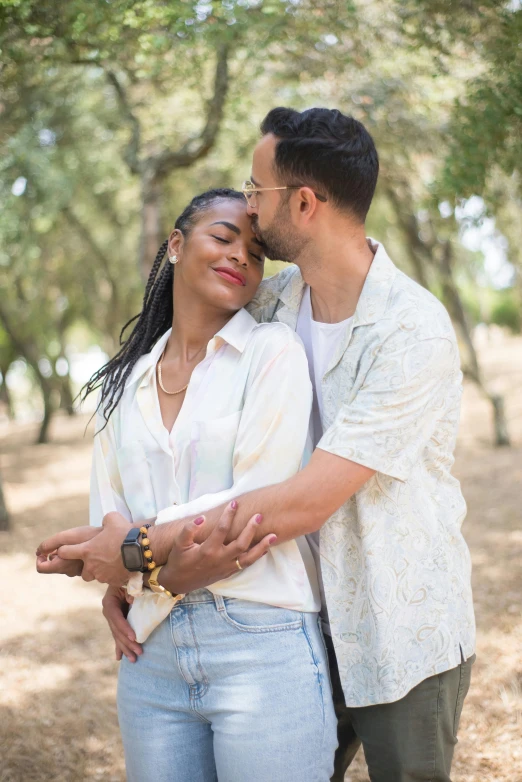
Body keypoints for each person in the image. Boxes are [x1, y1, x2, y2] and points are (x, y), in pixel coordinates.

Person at [38, 108, 476, 782]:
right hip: (290, 625)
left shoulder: (409, 330)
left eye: (256, 189)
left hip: (398, 630)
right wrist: (134, 576)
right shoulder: (268, 304)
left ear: (302, 203)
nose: (246, 203)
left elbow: (302, 505)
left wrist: (136, 555)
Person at [38, 188, 337, 782]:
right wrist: (116, 562)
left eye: (255, 254)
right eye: (222, 238)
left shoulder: (271, 355)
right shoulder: (124, 384)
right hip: (150, 656)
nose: (239, 259)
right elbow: (111, 520)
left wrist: (138, 560)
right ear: (176, 245)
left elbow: (252, 512)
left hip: (260, 640)